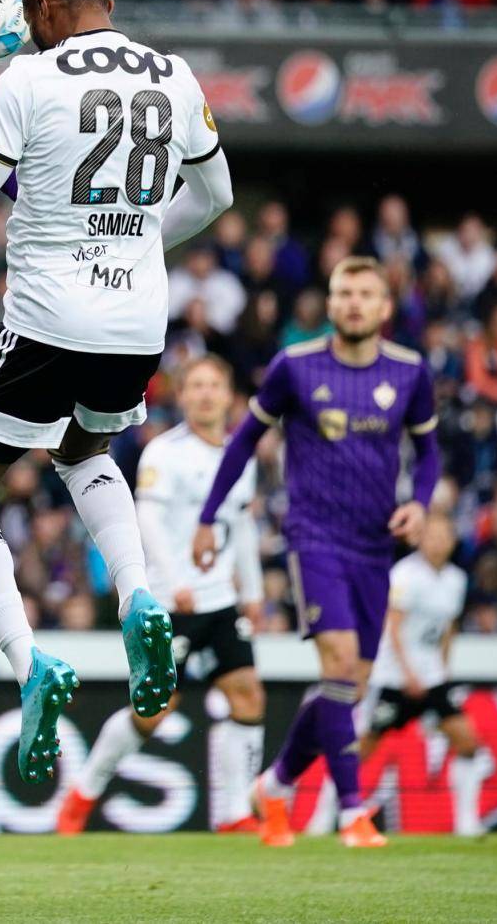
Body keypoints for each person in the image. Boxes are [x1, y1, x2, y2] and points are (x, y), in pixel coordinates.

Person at [0, 0, 234, 784]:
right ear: (104, 1)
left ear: (41, 9)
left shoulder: (29, 81)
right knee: (85, 451)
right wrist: (147, 236)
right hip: (137, 323)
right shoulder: (175, 76)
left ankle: (29, 661)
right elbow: (218, 195)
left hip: (49, 319)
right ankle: (138, 594)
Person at [193, 256, 440, 849]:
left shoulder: (410, 373)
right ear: (329, 305)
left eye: (365, 294)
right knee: (338, 664)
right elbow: (243, 442)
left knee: (347, 682)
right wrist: (207, 518)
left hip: (375, 543)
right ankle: (353, 812)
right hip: (314, 538)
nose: (353, 303)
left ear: (385, 307)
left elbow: (428, 453)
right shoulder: (296, 367)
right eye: (343, 293)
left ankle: (274, 788)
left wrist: (422, 503)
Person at [57, 355, 265, 834]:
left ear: (228, 395)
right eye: (196, 386)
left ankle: (235, 814)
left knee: (247, 695)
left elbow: (243, 524)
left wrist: (251, 590)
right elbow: (146, 520)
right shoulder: (165, 453)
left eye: (214, 385)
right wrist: (176, 579)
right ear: (183, 395)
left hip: (221, 602)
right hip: (174, 600)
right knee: (154, 711)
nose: (206, 393)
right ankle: (84, 790)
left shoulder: (240, 456)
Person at [360, 513, 485, 837]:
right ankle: (327, 812)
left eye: (444, 536)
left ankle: (466, 822)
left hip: (432, 677)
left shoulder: (457, 579)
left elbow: (447, 630)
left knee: (467, 740)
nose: (438, 542)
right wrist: (408, 673)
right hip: (394, 676)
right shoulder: (405, 574)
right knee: (364, 746)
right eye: (432, 535)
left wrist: (443, 670)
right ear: (420, 538)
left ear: (453, 541)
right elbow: (394, 628)